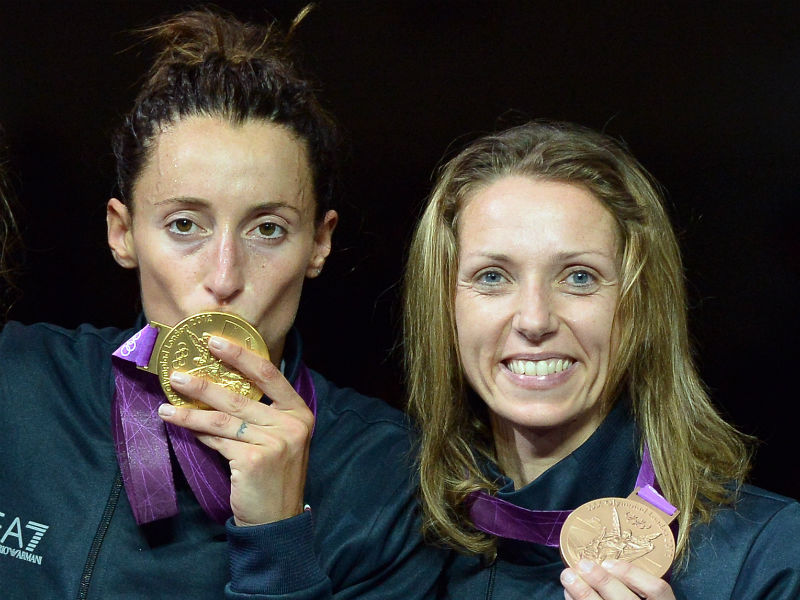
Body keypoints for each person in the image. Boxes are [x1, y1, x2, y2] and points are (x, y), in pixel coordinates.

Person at [0, 9, 444, 599]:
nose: (225, 277)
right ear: (122, 233)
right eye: (185, 224)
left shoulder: (393, 478)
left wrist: (276, 540)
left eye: (268, 230)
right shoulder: (19, 383)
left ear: (319, 243)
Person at [403, 120, 800, 599]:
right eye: (492, 276)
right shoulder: (389, 545)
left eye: (579, 277)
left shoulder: (770, 557)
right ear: (444, 307)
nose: (534, 319)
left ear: (640, 306)